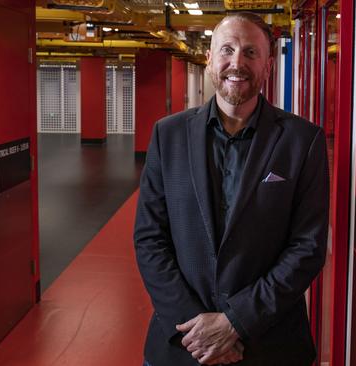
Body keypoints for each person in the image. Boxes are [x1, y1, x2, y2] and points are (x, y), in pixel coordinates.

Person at [134, 12, 329, 366]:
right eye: (227, 50)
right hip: (182, 345)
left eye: (251, 53)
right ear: (209, 59)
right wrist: (197, 332)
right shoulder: (168, 135)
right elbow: (150, 239)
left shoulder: (303, 141)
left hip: (269, 345)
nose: (237, 62)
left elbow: (307, 247)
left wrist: (235, 322)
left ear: (267, 66)